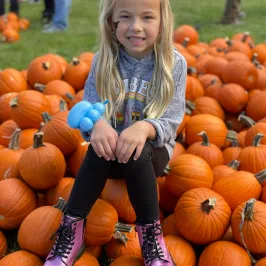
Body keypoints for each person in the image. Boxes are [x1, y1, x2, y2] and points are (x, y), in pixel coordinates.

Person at [43, 0, 187, 265]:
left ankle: (151, 237)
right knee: (97, 151)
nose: (136, 27)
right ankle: (71, 231)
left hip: (150, 155)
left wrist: (144, 128)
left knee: (138, 152)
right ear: (112, 21)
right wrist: (97, 126)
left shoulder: (173, 64)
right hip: (110, 152)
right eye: (125, 17)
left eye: (147, 18)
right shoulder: (104, 60)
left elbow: (171, 121)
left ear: (162, 21)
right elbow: (89, 108)